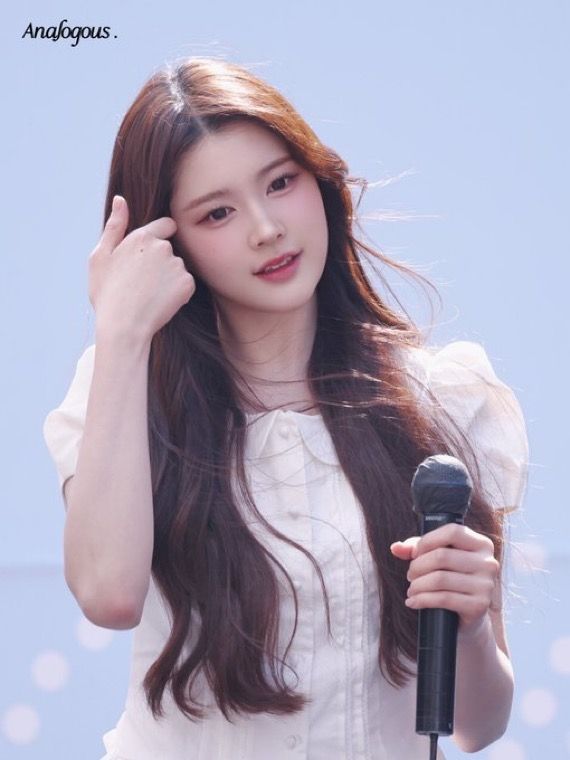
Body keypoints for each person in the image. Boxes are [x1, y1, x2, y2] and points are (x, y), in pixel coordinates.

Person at [42, 57, 529, 760]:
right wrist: (121, 330)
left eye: (280, 182)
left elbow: (478, 727)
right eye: (217, 213)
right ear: (168, 242)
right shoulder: (125, 390)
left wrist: (472, 624)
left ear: (319, 182)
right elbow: (107, 596)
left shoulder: (443, 398)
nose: (266, 228)